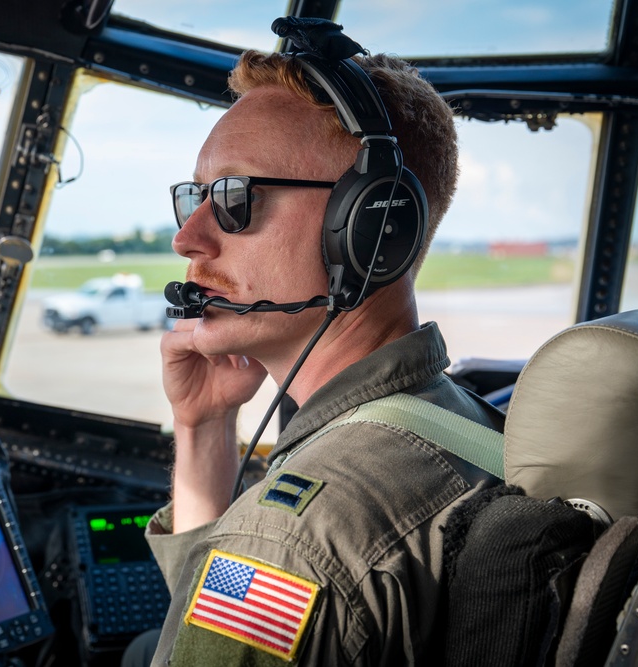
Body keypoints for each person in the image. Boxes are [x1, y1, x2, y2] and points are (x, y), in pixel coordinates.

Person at [140, 22, 506, 667]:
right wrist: (204, 426)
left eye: (234, 197)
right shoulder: (470, 420)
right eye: (194, 197)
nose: (188, 237)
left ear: (371, 227)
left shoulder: (287, 540)